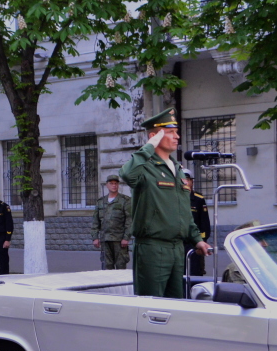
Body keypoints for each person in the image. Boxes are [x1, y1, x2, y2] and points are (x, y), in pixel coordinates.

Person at [118, 106, 211, 298]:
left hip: (178, 248)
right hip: (153, 247)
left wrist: (197, 240)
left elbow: (183, 211)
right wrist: (148, 147)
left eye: (176, 132)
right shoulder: (145, 166)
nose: (176, 136)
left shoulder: (177, 168)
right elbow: (127, 174)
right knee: (151, 305)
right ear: (155, 136)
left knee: (174, 304)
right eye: (170, 132)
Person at [90, 175, 131, 270]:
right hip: (105, 240)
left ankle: (121, 285)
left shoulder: (125, 200)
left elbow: (129, 220)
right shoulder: (101, 202)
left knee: (121, 266)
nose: (114, 185)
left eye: (116, 183)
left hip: (119, 240)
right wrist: (95, 237)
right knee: (106, 267)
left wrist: (126, 237)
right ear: (107, 185)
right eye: (111, 183)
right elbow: (95, 221)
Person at [185, 170, 211, 276]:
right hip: (179, 242)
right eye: (182, 180)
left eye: (187, 180)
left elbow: (204, 222)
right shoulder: (173, 198)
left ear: (192, 181)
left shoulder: (198, 199)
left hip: (194, 243)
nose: (185, 182)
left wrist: (201, 241)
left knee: (195, 271)